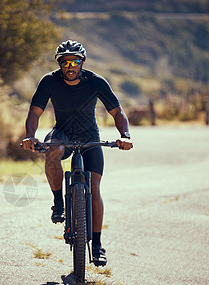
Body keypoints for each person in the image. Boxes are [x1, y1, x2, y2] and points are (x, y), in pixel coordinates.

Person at [21, 40, 133, 266]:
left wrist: (125, 135)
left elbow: (117, 112)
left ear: (82, 63)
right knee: (53, 149)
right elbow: (34, 112)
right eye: (65, 62)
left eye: (75, 61)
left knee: (94, 189)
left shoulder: (96, 82)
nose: (70, 66)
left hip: (90, 137)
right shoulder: (49, 82)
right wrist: (31, 135)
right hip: (62, 134)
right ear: (59, 64)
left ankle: (98, 245)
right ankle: (58, 203)